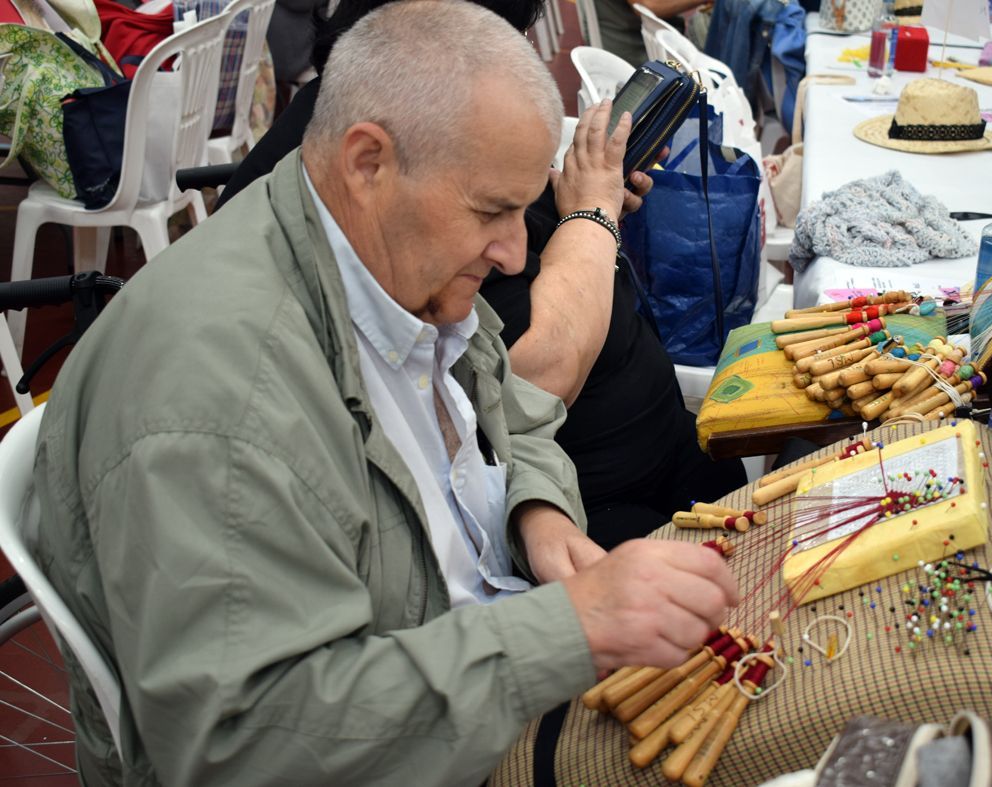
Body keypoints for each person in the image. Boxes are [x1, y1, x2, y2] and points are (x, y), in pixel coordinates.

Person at [31, 3, 739, 784]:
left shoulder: (382, 258)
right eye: (492, 211)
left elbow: (512, 408)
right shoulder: (218, 403)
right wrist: (573, 625)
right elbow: (250, 742)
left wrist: (531, 508)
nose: (513, 254)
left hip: (471, 666)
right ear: (367, 161)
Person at [219, 0, 748, 551]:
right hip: (603, 505)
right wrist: (590, 214)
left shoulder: (423, 128)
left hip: (621, 470)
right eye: (513, 40)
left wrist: (574, 201)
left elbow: (484, 383)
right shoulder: (391, 180)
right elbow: (529, 380)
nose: (512, 253)